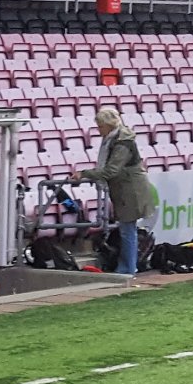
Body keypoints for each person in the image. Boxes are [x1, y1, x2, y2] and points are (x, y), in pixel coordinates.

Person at [72, 106, 153, 275]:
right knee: (127, 229)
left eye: (101, 126)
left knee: (127, 230)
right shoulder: (115, 139)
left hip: (130, 189)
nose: (99, 130)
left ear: (109, 125)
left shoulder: (122, 142)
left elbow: (111, 170)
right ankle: (126, 267)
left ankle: (127, 268)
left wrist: (85, 174)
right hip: (124, 188)